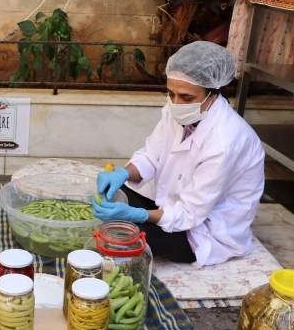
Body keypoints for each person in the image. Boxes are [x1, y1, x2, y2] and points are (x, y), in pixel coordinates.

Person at [94, 41, 265, 267]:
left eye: (186, 98)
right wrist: (124, 174)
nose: (176, 104)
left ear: (213, 94)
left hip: (204, 228)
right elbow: (151, 156)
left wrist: (139, 215)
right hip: (171, 201)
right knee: (111, 194)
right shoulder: (178, 112)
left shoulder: (225, 142)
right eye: (171, 93)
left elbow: (189, 214)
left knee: (124, 231)